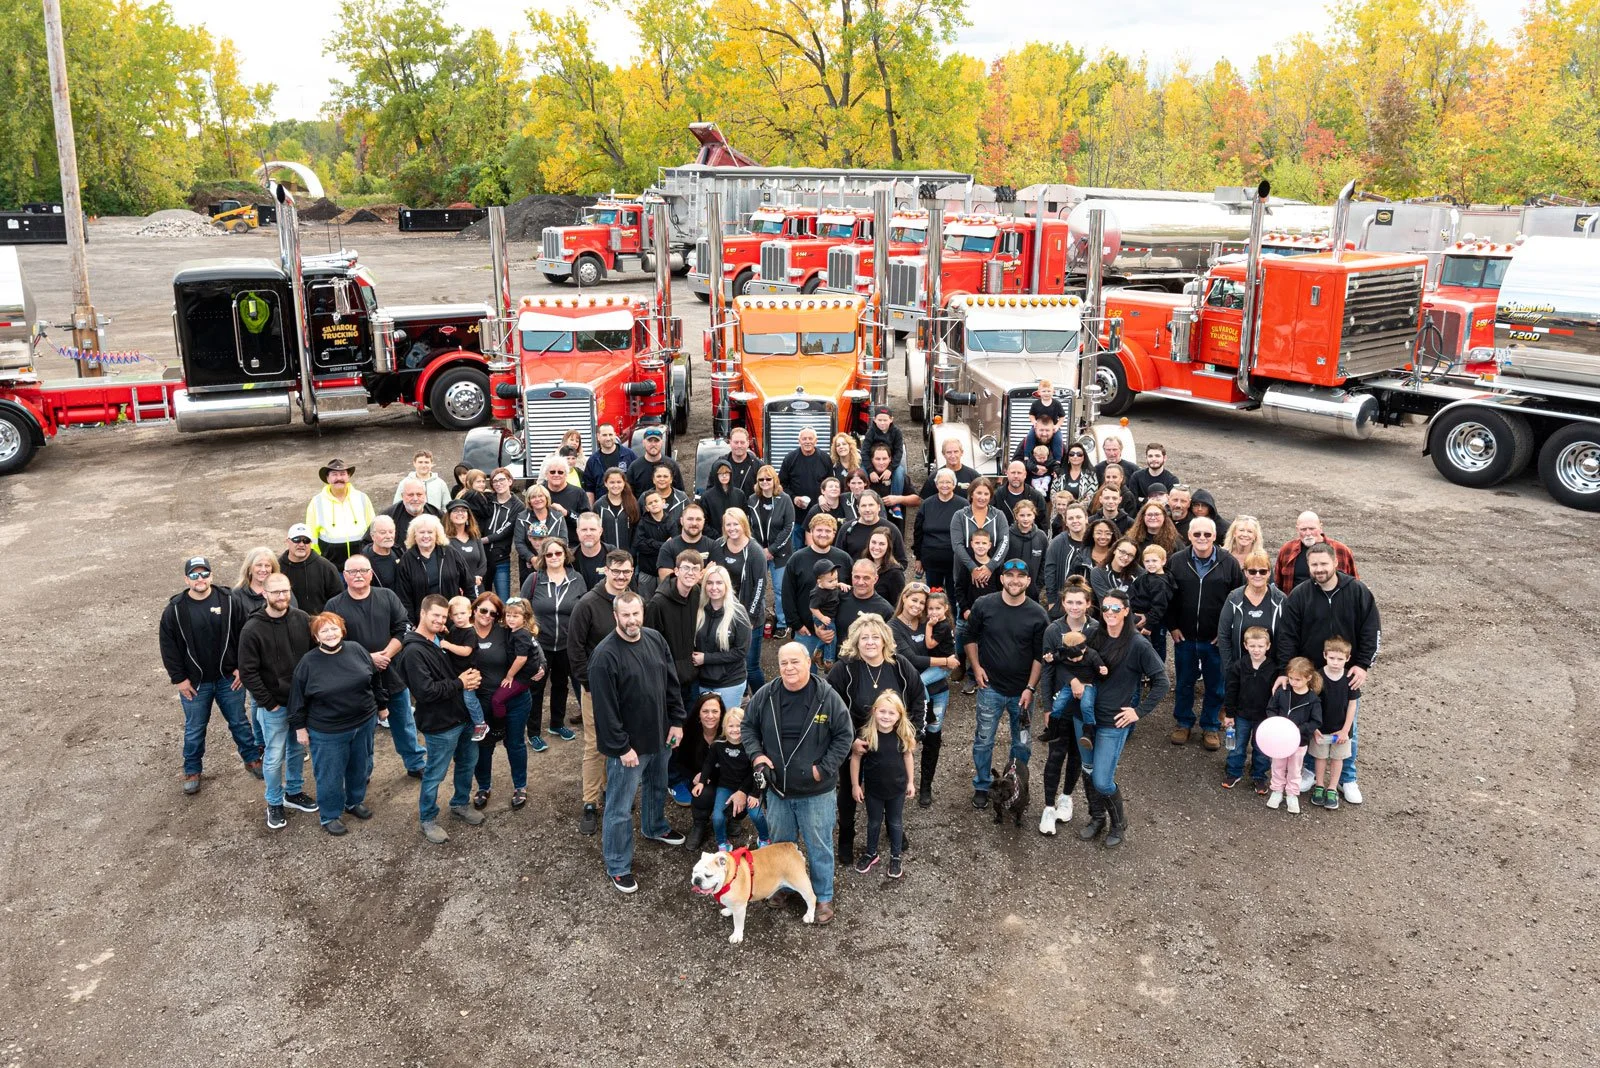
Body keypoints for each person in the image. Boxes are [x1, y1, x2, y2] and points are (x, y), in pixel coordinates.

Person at [741, 642, 853, 925]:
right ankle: (785, 887)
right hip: (778, 791)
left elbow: (844, 735)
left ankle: (823, 896)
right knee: (781, 845)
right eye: (783, 663)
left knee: (819, 846)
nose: (789, 668)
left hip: (817, 792)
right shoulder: (766, 696)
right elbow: (748, 727)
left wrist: (823, 770)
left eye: (795, 662)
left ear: (808, 663)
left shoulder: (826, 697)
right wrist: (757, 757)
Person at [590, 591, 688, 893]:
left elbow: (671, 681)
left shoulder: (655, 639)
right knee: (619, 807)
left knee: (658, 786)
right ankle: (617, 864)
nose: (632, 621)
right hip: (629, 748)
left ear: (642, 613)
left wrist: (677, 720)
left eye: (636, 614)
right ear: (615, 617)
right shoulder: (605, 656)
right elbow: (605, 711)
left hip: (660, 735)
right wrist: (621, 748)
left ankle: (654, 826)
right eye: (626, 615)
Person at [1274, 542, 1380, 805]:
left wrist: (1363, 664)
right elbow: (1286, 634)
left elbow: (1371, 630)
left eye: (1323, 564)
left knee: (1347, 726)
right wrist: (1288, 670)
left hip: (1345, 675)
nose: (1319, 569)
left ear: (1335, 563)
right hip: (1312, 675)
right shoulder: (1300, 595)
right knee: (1313, 723)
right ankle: (1310, 770)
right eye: (1314, 565)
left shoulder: (1357, 591)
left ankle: (1347, 778)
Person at [826, 613, 926, 866]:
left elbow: (918, 698)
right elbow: (828, 707)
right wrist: (848, 742)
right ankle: (847, 837)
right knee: (849, 792)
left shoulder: (901, 666)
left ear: (884, 640)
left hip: (892, 742)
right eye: (864, 638)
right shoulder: (844, 669)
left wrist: (910, 733)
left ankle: (893, 828)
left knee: (892, 784)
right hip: (856, 742)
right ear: (856, 642)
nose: (870, 642)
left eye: (875, 637)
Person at [1076, 589, 1170, 847]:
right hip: (1084, 718)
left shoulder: (1138, 644)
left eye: (1115, 609)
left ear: (1126, 611)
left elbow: (1161, 682)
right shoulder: (1094, 635)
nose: (1109, 613)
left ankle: (1119, 823)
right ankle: (1097, 818)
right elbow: (1072, 662)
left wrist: (1138, 712)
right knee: (1087, 770)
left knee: (1103, 781)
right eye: (1105, 608)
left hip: (1113, 722)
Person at [160, 555, 260, 795]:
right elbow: (168, 647)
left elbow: (245, 634)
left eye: (204, 573)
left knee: (239, 721)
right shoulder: (175, 610)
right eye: (194, 575)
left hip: (228, 678)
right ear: (187, 579)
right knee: (195, 728)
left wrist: (241, 667)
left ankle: (252, 759)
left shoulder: (228, 600)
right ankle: (192, 769)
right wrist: (179, 679)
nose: (200, 579)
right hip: (195, 683)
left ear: (211, 576)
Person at [326, 554, 425, 777]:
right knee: (364, 732)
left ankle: (415, 763)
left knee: (404, 723)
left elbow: (403, 628)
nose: (358, 575)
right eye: (352, 572)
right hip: (358, 680)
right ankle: (364, 772)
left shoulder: (387, 596)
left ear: (371, 574)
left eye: (363, 570)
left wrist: (386, 654)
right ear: (345, 576)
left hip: (393, 672)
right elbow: (333, 641)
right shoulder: (334, 605)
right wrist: (369, 658)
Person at [397, 594, 484, 844]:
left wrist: (469, 678)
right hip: (440, 723)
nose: (439, 620)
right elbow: (425, 691)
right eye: (434, 615)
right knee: (436, 772)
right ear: (422, 614)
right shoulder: (413, 651)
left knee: (468, 763)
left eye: (443, 616)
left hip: (463, 716)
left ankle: (460, 804)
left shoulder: (441, 638)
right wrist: (460, 682)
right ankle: (428, 818)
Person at [288, 612, 381, 836]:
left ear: (342, 630)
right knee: (329, 774)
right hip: (328, 731)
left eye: (334, 628)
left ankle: (354, 801)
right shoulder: (308, 662)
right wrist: (300, 728)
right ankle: (330, 814)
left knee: (360, 765)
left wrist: (383, 705)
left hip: (363, 722)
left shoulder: (357, 650)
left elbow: (375, 679)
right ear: (316, 637)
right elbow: (297, 699)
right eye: (324, 631)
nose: (330, 634)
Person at [964, 560, 1049, 809]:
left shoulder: (1038, 614)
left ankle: (1015, 784)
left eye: (1020, 576)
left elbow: (1038, 655)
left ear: (1028, 581)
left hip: (1021, 694)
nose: (1015, 580)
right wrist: (976, 667)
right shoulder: (984, 605)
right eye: (1009, 575)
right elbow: (969, 637)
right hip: (990, 689)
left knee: (1021, 742)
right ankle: (982, 784)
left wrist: (1031, 688)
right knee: (983, 739)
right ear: (1001, 579)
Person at [567, 550, 638, 833]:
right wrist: (590, 683)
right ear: (605, 570)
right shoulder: (587, 604)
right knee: (596, 746)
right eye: (616, 571)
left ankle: (613, 792)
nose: (621, 576)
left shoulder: (632, 600)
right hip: (597, 690)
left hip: (627, 689)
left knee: (620, 742)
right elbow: (575, 649)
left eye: (626, 572)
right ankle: (590, 801)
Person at [238, 573, 316, 828]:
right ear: (264, 594)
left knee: (297, 750)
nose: (281, 597)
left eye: (285, 591)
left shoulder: (302, 619)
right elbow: (248, 671)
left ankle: (293, 792)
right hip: (275, 705)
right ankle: (274, 801)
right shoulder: (252, 629)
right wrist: (268, 702)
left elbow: (313, 657)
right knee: (273, 756)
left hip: (301, 703)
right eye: (276, 592)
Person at [1164, 517, 1243, 750]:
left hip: (1215, 639)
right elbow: (1167, 598)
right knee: (1185, 682)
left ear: (1214, 536)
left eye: (1207, 535)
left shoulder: (1229, 563)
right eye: (1197, 534)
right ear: (1189, 536)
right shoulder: (1176, 561)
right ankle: (1183, 722)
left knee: (1216, 684)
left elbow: (1238, 600)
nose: (1202, 539)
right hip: (1185, 637)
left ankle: (1210, 726)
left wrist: (1226, 632)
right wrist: (1172, 627)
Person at [465, 592, 539, 812]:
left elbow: (532, 648)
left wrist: (542, 665)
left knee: (514, 743)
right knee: (484, 746)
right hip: (482, 703)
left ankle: (520, 787)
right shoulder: (463, 633)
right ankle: (483, 787)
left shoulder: (506, 631)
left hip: (514, 699)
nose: (487, 615)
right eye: (483, 610)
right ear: (474, 609)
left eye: (493, 612)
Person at [1038, 588, 1101, 828]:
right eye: (1070, 602)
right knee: (1055, 755)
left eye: (1079, 602)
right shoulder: (1054, 630)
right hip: (1060, 701)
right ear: (1063, 603)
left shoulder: (1095, 629)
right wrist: (1047, 706)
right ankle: (1048, 807)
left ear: (1088, 604)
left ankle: (1066, 797)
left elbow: (1097, 663)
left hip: (1085, 705)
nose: (1075, 607)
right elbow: (1049, 667)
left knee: (1077, 753)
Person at [889, 584, 957, 806]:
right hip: (907, 693)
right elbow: (909, 659)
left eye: (923, 603)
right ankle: (900, 785)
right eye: (914, 600)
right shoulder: (893, 627)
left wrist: (949, 658)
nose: (918, 606)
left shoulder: (933, 623)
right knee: (905, 739)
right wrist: (945, 662)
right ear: (904, 598)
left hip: (937, 689)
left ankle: (926, 786)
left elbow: (947, 645)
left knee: (933, 738)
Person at [522, 536, 585, 750]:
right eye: (549, 554)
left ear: (565, 555)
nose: (554, 557)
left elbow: (584, 611)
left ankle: (557, 724)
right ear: (543, 557)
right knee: (537, 687)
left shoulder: (577, 579)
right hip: (540, 645)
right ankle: (533, 732)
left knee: (561, 684)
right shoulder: (533, 580)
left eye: (558, 553)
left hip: (567, 644)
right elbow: (523, 610)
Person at [849, 691, 916, 879]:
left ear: (899, 715)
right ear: (874, 711)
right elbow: (855, 759)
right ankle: (872, 853)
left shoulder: (903, 735)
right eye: (882, 711)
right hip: (873, 790)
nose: (886, 717)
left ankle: (896, 857)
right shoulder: (866, 735)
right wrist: (855, 785)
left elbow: (908, 756)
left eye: (891, 713)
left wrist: (911, 782)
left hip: (897, 790)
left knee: (895, 822)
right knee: (873, 822)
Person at [695, 705, 770, 853]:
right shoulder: (718, 745)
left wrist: (755, 793)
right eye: (731, 726)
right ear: (724, 726)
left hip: (749, 787)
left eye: (739, 726)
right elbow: (708, 764)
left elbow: (755, 771)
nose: (735, 730)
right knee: (717, 817)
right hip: (725, 786)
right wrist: (702, 781)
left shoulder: (751, 746)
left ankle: (764, 838)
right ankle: (723, 842)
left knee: (756, 815)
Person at [711, 508, 767, 689]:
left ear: (744, 525)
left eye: (736, 524)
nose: (732, 528)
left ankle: (763, 698)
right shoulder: (718, 545)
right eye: (728, 524)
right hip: (724, 612)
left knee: (750, 667)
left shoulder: (754, 550)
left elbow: (760, 585)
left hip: (749, 616)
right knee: (731, 664)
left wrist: (749, 617)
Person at [784, 514, 852, 659]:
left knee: (835, 675)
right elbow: (787, 594)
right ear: (811, 531)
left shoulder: (844, 559)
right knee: (805, 676)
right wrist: (797, 625)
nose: (823, 534)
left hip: (837, 631)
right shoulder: (797, 559)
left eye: (828, 531)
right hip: (806, 631)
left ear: (834, 533)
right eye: (819, 530)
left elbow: (850, 592)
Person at [647, 550, 705, 712]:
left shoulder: (697, 594)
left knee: (690, 723)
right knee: (672, 728)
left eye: (695, 569)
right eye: (686, 568)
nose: (690, 573)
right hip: (669, 679)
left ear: (700, 574)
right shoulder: (657, 604)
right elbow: (651, 645)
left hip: (692, 674)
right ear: (676, 571)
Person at [1221, 626, 1275, 793]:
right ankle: (1233, 772)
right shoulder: (1239, 666)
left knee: (1261, 748)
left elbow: (1277, 694)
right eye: (1252, 646)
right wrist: (1229, 713)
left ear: (1268, 646)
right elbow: (1231, 690)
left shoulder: (1274, 668)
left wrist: (1274, 716)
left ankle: (1259, 776)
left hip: (1264, 717)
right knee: (1237, 745)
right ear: (1245, 645)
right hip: (1241, 715)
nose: (1256, 650)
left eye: (1260, 646)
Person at [1217, 550, 1285, 683]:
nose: (1257, 575)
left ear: (1269, 573)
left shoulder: (1280, 599)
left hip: (1272, 672)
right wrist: (1230, 669)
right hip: (1240, 670)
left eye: (1263, 571)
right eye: (1253, 571)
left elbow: (1287, 637)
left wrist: (1282, 670)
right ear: (1245, 572)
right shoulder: (1234, 598)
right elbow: (1223, 635)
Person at [1263, 657, 1321, 814]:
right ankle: (1276, 791)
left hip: (1299, 741)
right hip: (1279, 739)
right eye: (1291, 678)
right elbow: (1271, 708)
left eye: (1297, 679)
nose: (1293, 682)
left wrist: (1297, 729)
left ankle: (1292, 794)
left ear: (1308, 678)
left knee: (1295, 768)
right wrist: (1275, 723)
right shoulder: (1283, 692)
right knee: (1277, 765)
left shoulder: (1312, 700)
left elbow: (1316, 721)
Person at [692, 564, 752, 712]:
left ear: (727, 585)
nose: (714, 587)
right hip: (702, 681)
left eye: (719, 583)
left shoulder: (738, 612)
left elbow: (741, 651)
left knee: (727, 726)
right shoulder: (697, 610)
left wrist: (706, 658)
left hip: (730, 682)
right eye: (710, 583)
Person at [1310, 636, 1359, 810]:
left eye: (1340, 659)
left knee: (1338, 759)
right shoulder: (1318, 676)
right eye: (1332, 658)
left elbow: (1353, 705)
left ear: (1347, 657)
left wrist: (1345, 730)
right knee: (1320, 757)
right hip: (1321, 729)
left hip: (1341, 730)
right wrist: (1314, 727)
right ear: (1325, 655)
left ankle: (1332, 787)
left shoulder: (1350, 678)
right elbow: (1312, 703)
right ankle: (1319, 784)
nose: (1335, 662)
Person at [396, 515, 475, 620]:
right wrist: (411, 624)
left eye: (430, 532)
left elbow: (469, 584)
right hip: (423, 621)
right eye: (421, 532)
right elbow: (404, 598)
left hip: (452, 618)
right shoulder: (406, 560)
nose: (426, 536)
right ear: (414, 535)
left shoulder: (450, 553)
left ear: (437, 534)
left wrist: (471, 615)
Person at [748, 465, 795, 637]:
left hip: (780, 552)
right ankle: (757, 620)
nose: (765, 482)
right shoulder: (752, 500)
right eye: (761, 479)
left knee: (780, 589)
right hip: (758, 551)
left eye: (768, 479)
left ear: (774, 480)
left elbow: (789, 527)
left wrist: (772, 549)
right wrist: (759, 549)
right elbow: (749, 526)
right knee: (757, 587)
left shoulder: (784, 499)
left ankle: (782, 623)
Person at [305, 458, 374, 566]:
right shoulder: (316, 502)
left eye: (342, 474)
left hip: (361, 564)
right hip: (331, 566)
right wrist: (318, 560)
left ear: (348, 476)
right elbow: (310, 534)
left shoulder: (362, 498)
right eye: (334, 474)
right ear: (327, 478)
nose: (339, 478)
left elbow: (373, 528)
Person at [1274, 511, 1360, 593]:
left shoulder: (1341, 550)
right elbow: (1277, 585)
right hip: (1297, 606)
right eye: (1303, 529)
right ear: (1297, 529)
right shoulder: (1287, 550)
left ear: (1320, 527)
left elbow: (1355, 585)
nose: (1308, 533)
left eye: (1312, 529)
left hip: (1333, 605)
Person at [951, 477, 1008, 591]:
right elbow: (957, 545)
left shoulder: (999, 515)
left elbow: (1004, 542)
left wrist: (990, 567)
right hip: (964, 572)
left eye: (986, 494)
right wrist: (973, 568)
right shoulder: (959, 516)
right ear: (972, 494)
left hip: (993, 574)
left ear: (990, 496)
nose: (982, 497)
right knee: (965, 607)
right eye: (979, 493)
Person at [911, 468, 962, 591]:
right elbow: (918, 532)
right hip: (931, 560)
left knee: (954, 598)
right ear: (936, 484)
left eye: (948, 482)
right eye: (941, 482)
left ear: (954, 484)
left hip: (955, 561)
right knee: (932, 595)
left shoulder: (963, 505)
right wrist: (918, 558)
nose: (944, 485)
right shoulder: (926, 504)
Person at [482, 467, 526, 600]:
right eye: (494, 481)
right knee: (482, 600)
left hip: (501, 558)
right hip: (482, 558)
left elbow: (506, 529)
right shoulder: (488, 499)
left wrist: (483, 540)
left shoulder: (518, 505)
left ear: (510, 481)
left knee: (503, 601)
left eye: (502, 480)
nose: (498, 484)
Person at [279, 524, 343, 615]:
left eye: (306, 540)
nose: (301, 544)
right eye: (296, 540)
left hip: (318, 625)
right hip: (287, 624)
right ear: (287, 541)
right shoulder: (277, 568)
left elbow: (338, 600)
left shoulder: (326, 567)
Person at [1041, 503, 1093, 615]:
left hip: (1090, 605)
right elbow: (1050, 573)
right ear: (1066, 522)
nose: (1075, 521)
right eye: (1070, 518)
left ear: (1086, 519)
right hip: (1063, 603)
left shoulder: (1094, 541)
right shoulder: (1057, 543)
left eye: (1078, 517)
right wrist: (1052, 602)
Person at [1129, 544, 1174, 662]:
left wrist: (1149, 625)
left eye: (1154, 560)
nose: (1150, 564)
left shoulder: (1161, 583)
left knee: (1157, 648)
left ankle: (1157, 675)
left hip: (1155, 622)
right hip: (1140, 618)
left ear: (1163, 561)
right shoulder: (1145, 577)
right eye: (1147, 561)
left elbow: (1159, 606)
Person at [779, 427, 832, 523]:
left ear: (816, 441)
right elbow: (781, 484)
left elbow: (831, 484)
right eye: (804, 439)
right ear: (799, 441)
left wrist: (823, 497)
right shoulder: (790, 458)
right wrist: (793, 498)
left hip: (820, 513)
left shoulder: (825, 458)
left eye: (810, 438)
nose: (807, 442)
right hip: (795, 514)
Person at [835, 558, 896, 641]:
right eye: (856, 577)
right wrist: (820, 630)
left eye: (866, 578)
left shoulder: (885, 610)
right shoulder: (838, 597)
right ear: (851, 576)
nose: (860, 582)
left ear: (875, 579)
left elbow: (890, 643)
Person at [840, 492, 908, 563]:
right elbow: (839, 559)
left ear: (879, 507)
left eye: (871, 505)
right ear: (858, 508)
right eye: (863, 505)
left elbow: (902, 561)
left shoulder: (891, 529)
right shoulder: (847, 529)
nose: (867, 509)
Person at [1004, 499, 1049, 601]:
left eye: (1029, 515)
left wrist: (1037, 586)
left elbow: (1045, 563)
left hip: (1032, 593)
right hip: (1009, 589)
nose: (1025, 519)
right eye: (1022, 515)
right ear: (1016, 516)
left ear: (1034, 515)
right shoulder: (1007, 535)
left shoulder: (1041, 537)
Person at [632, 492, 673, 602]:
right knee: (645, 603)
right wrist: (663, 545)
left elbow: (673, 547)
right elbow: (639, 545)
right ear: (647, 508)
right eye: (650, 503)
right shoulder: (642, 523)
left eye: (656, 501)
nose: (654, 504)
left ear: (663, 502)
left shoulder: (671, 522)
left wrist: (649, 542)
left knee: (665, 602)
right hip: (646, 571)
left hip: (665, 571)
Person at [865, 441, 916, 529]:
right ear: (871, 460)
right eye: (877, 459)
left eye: (884, 459)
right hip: (869, 530)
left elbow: (917, 500)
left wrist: (898, 499)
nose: (881, 462)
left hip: (895, 528)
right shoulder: (864, 478)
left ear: (890, 459)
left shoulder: (899, 477)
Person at [656, 501, 711, 582]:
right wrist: (704, 573)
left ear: (703, 521)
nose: (694, 523)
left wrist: (680, 576)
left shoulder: (713, 546)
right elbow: (667, 581)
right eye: (690, 519)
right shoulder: (668, 547)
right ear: (681, 521)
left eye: (698, 519)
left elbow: (714, 579)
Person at [383, 477, 444, 550]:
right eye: (410, 495)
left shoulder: (437, 514)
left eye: (419, 494)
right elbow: (368, 542)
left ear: (425, 495)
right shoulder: (389, 516)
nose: (415, 499)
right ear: (402, 496)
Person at [443, 498, 488, 596]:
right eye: (455, 511)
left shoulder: (475, 536)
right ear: (449, 516)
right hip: (457, 588)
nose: (460, 513)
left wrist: (477, 577)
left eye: (463, 510)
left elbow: (483, 562)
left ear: (468, 516)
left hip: (477, 585)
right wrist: (464, 582)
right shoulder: (444, 540)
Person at [625, 426, 684, 499]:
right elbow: (628, 496)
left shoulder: (672, 465)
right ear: (643, 443)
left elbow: (680, 493)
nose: (653, 444)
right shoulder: (634, 467)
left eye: (656, 441)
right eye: (650, 441)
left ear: (662, 443)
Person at [231, 547, 290, 620]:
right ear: (249, 568)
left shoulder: (284, 591)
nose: (263, 570)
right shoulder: (237, 595)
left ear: (273, 568)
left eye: (267, 566)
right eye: (259, 565)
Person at [541, 456, 589, 541]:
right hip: (544, 545)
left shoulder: (579, 493)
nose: (556, 475)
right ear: (546, 474)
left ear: (566, 474)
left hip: (571, 545)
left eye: (560, 472)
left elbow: (586, 522)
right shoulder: (538, 493)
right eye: (552, 472)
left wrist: (567, 513)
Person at [583, 422, 637, 497]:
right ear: (598, 437)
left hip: (626, 504)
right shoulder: (593, 461)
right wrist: (591, 508)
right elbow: (589, 489)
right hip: (602, 506)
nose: (608, 438)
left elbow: (637, 482)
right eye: (604, 435)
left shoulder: (629, 455)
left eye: (610, 435)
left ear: (615, 435)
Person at [595, 468, 639, 556]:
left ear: (624, 483)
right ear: (605, 484)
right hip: (606, 555)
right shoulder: (599, 505)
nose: (615, 485)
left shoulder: (632, 503)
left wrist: (632, 551)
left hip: (628, 555)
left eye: (619, 482)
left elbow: (637, 529)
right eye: (612, 482)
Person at [698, 456, 745, 535]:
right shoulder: (706, 497)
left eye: (727, 473)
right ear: (716, 475)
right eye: (721, 473)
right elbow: (704, 522)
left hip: (736, 537)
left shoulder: (739, 494)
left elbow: (744, 518)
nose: (724, 476)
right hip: (714, 541)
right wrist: (717, 537)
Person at [860, 526, 906, 606]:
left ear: (888, 547)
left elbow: (899, 605)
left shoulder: (895, 573)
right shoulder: (862, 565)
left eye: (881, 544)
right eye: (873, 542)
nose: (876, 547)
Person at [1089, 538, 1140, 607]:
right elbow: (1106, 602)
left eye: (1130, 555)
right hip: (1109, 614)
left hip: (1132, 615)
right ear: (1114, 550)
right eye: (1122, 552)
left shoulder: (1139, 573)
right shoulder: (1098, 572)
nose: (1125, 557)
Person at [995, 461, 1048, 525]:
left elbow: (1044, 523)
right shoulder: (997, 496)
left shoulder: (1036, 497)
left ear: (1025, 474)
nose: (1016, 476)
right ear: (1007, 473)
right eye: (1013, 472)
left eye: (1019, 473)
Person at [360, 515, 402, 591]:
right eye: (383, 533)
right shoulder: (364, 562)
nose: (388, 536)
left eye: (391, 532)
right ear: (372, 536)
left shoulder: (400, 552)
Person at [861, 405, 906, 476]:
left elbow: (898, 452)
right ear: (874, 419)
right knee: (862, 473)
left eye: (885, 420)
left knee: (899, 473)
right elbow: (864, 452)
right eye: (879, 420)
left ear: (891, 419)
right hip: (873, 462)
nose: (882, 423)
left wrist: (890, 469)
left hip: (891, 462)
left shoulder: (897, 432)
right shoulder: (870, 433)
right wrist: (870, 470)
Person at [571, 512, 609, 590]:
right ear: (577, 531)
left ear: (600, 531)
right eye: (584, 530)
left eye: (592, 529)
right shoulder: (569, 559)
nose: (588, 533)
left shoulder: (613, 555)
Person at [723, 426, 763, 496]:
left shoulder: (759, 466)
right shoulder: (721, 464)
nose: (739, 445)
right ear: (730, 442)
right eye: (736, 442)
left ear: (748, 443)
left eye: (742, 442)